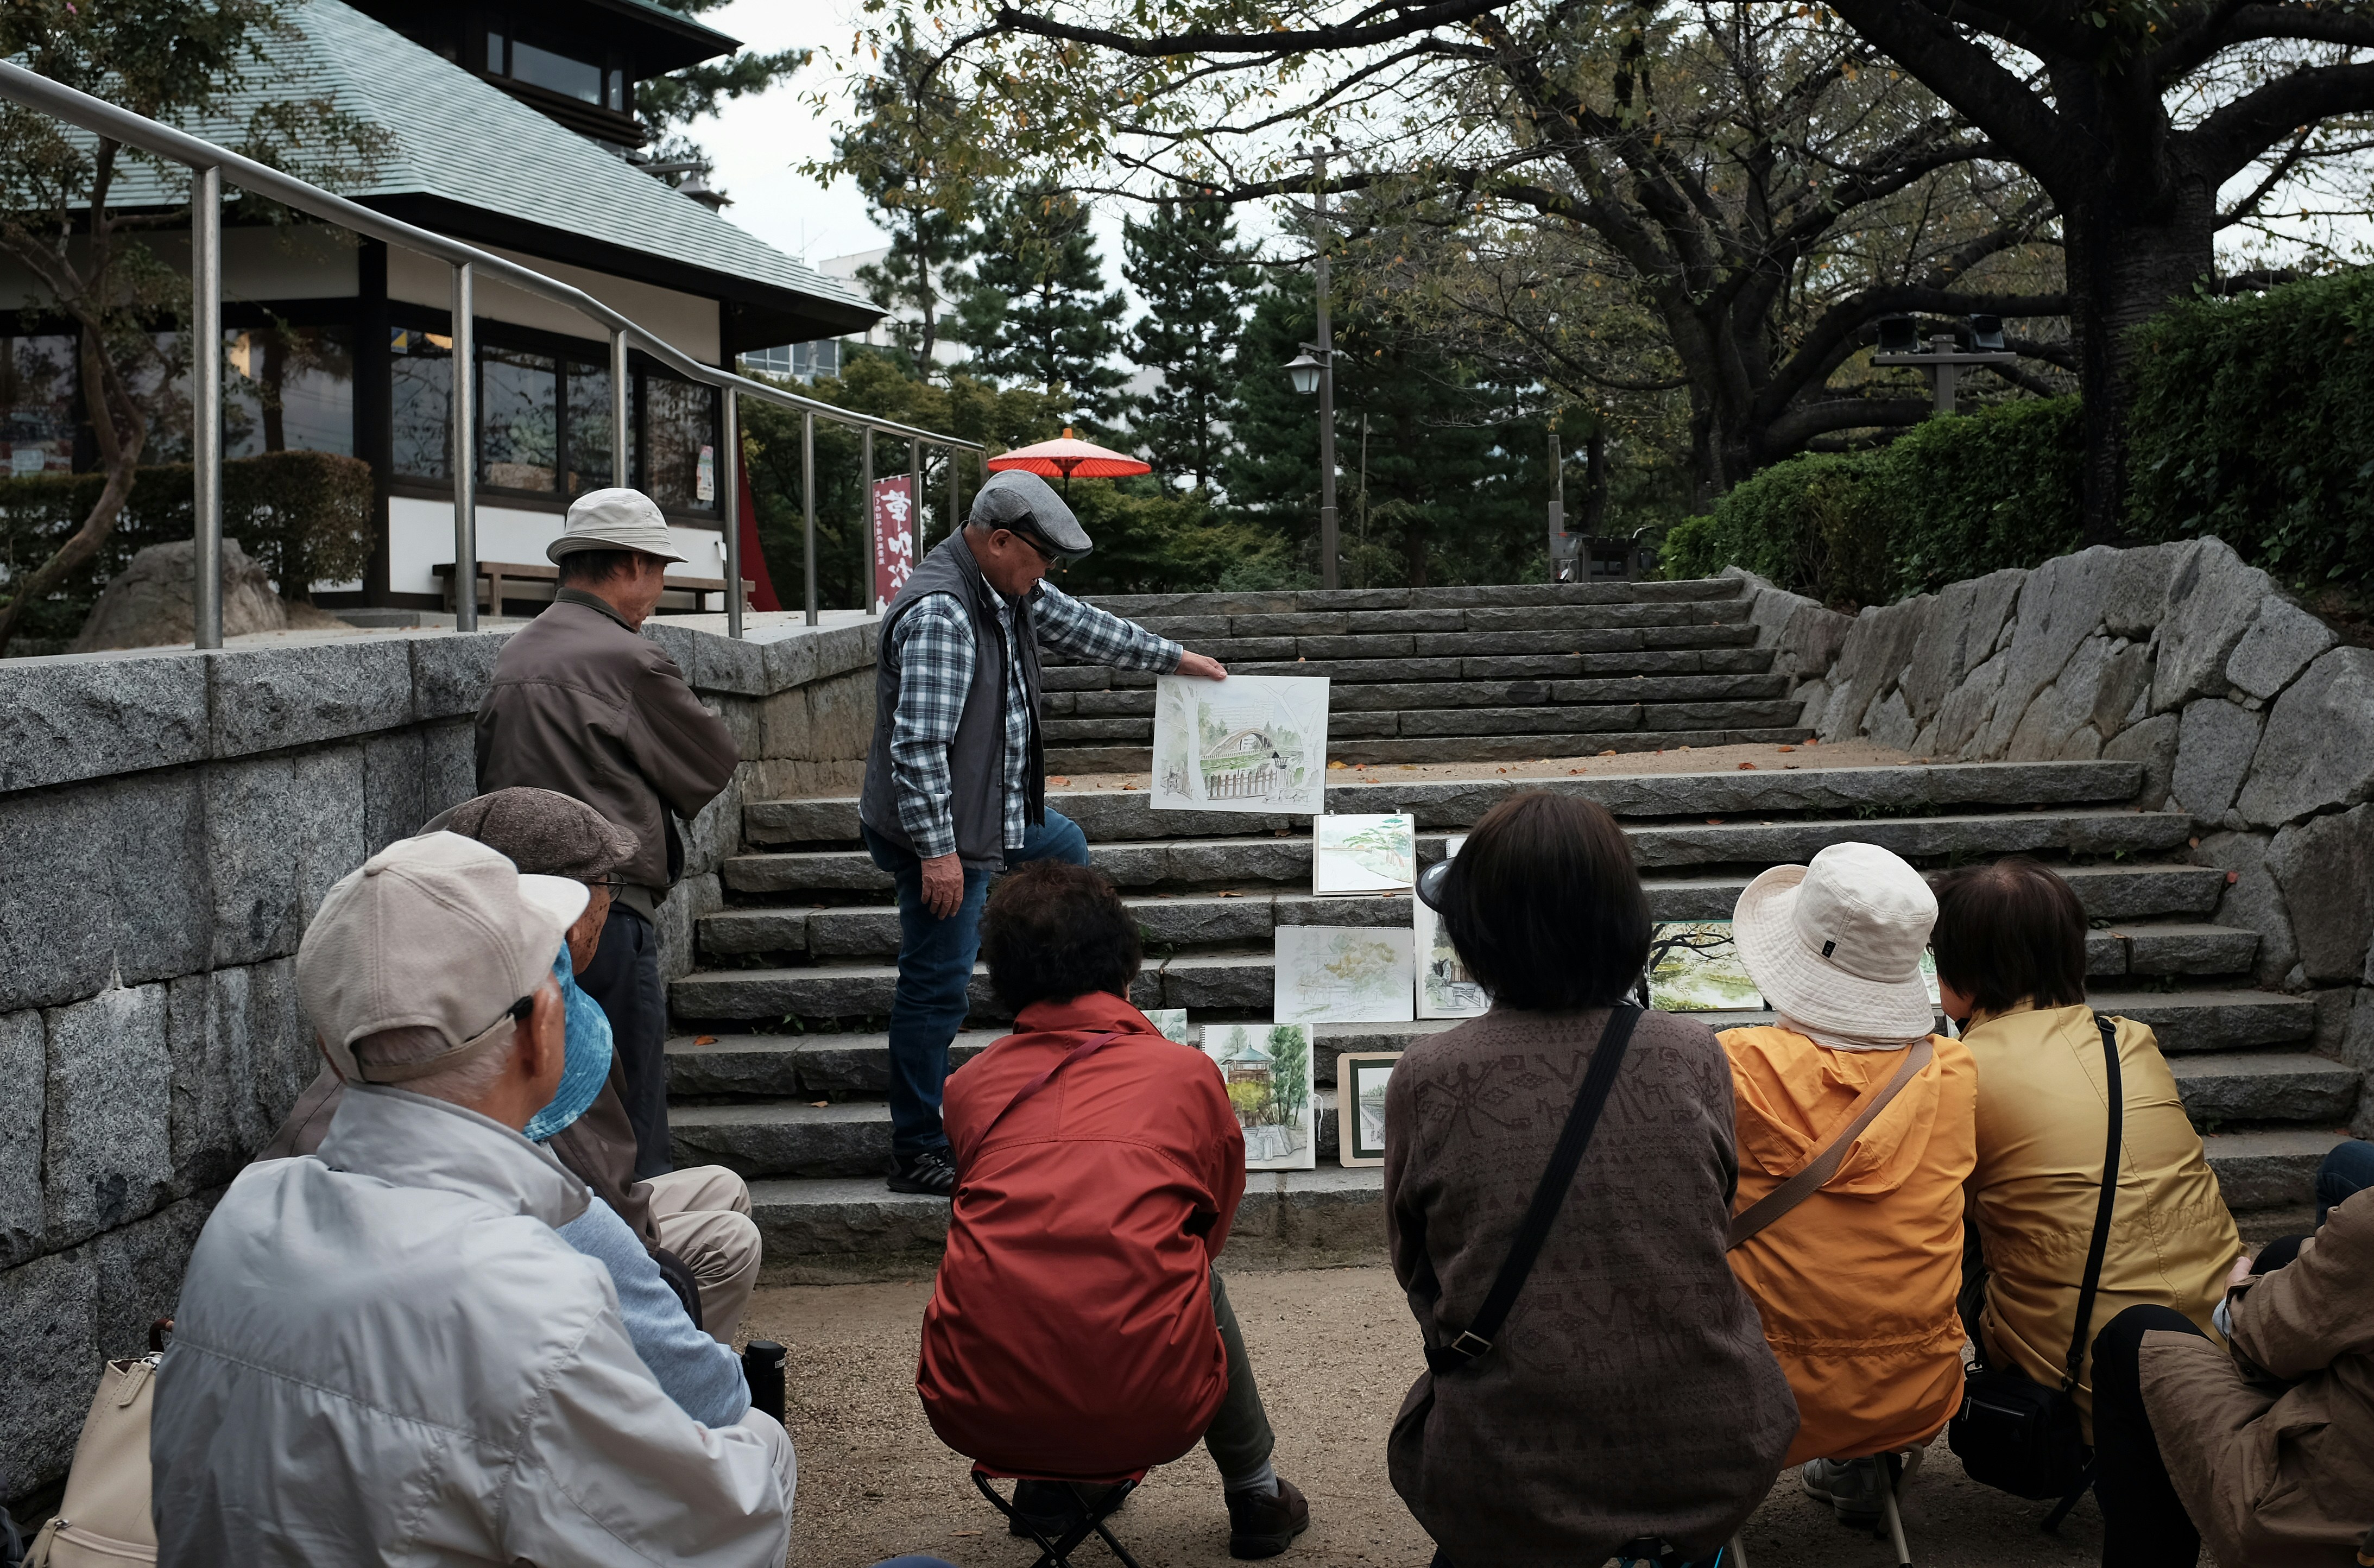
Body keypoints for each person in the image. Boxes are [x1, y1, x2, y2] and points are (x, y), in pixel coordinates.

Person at [153, 832, 792, 1565]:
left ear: (334, 1051)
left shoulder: (244, 1219)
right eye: (556, 982)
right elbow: (721, 1537)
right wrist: (766, 1445)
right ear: (540, 1032)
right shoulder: (535, 1298)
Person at [1385, 792, 1797, 1567]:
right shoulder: (1692, 1052)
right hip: (1713, 1451)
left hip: (1508, 1470)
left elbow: (1420, 1271)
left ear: (1475, 935)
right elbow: (1712, 1208)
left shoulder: (1430, 1076)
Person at [260, 787, 763, 1342]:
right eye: (606, 887)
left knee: (719, 1190)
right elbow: (608, 1223)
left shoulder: (248, 1217)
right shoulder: (535, 1039)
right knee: (721, 1248)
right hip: (532, 1278)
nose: (608, 905)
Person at [914, 861, 1308, 1560]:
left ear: (1005, 979)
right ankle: (1255, 1489)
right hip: (1154, 1405)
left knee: (1025, 1261)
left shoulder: (967, 1087)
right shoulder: (1185, 1075)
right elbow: (1211, 1225)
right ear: (1124, 966)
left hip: (974, 1406)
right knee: (1188, 1271)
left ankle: (1048, 1480)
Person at [858, 468, 1227, 1196]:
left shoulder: (1008, 589)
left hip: (1001, 811)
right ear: (998, 542)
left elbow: (1087, 626)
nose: (1047, 575)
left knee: (1063, 853)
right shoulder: (944, 612)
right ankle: (919, 1145)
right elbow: (918, 748)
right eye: (1042, 560)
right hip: (947, 827)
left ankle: (1063, 1014)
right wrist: (939, 855)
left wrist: (1177, 661)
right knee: (936, 984)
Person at [1931, 856, 2243, 1439]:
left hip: (2083, 1378)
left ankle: (1864, 1460)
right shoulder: (2128, 1040)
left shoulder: (1958, 1070)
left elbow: (1926, 1211)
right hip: (2218, 1350)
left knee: (1912, 1219)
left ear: (1959, 976)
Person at [478, 488, 740, 1179]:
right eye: (657, 568)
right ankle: (648, 1263)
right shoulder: (629, 658)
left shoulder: (514, 654)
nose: (658, 586)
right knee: (632, 1098)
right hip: (609, 908)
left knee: (553, 1095)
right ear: (629, 563)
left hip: (520, 912)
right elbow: (711, 762)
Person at [1720, 842, 1978, 1523]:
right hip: (1914, 1387)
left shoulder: (1737, 1066)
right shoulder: (1951, 1071)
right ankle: (1864, 1466)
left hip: (1761, 1391)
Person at [2088, 1181, 2373, 1567]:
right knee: (2287, 1254)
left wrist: (2234, 1298)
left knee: (2132, 1334)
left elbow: (2264, 1334)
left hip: (2334, 1529)